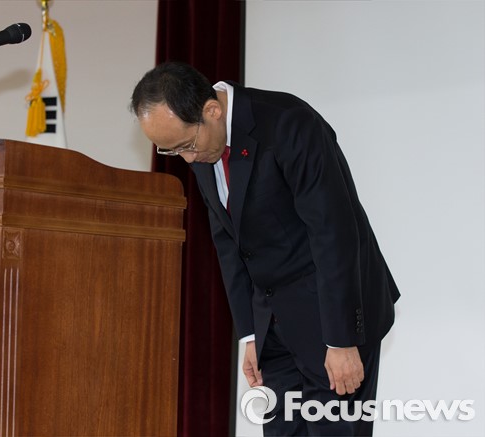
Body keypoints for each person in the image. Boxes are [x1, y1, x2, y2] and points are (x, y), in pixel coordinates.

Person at [130, 62, 400, 436]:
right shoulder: (203, 144)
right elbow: (228, 241)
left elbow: (334, 233)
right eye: (173, 151)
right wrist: (250, 334)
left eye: (187, 145)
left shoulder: (288, 123)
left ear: (212, 110)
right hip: (275, 327)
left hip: (330, 320)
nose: (188, 159)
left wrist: (341, 341)